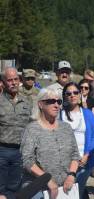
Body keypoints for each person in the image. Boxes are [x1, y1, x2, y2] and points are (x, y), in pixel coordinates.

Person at [21, 88, 80, 199]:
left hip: (65, 188)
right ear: (40, 104)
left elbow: (75, 155)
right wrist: (46, 179)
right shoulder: (31, 129)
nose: (56, 105)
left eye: (59, 102)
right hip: (39, 189)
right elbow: (27, 160)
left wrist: (72, 175)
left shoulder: (66, 128)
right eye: (51, 101)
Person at [60, 82, 94, 199]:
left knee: (77, 192)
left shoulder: (87, 114)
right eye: (69, 93)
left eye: (75, 92)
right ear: (65, 96)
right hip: (64, 163)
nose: (72, 95)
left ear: (80, 94)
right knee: (65, 192)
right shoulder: (60, 114)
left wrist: (87, 154)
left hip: (84, 162)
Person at [0, 67, 32, 199]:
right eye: (9, 80)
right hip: (2, 150)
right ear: (3, 82)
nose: (13, 82)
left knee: (15, 188)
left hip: (20, 152)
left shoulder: (27, 101)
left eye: (15, 79)